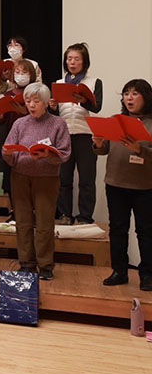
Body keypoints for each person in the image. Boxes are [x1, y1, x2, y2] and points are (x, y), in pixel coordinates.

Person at [1, 82, 71, 280]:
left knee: (44, 223)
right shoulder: (19, 123)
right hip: (20, 176)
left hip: (46, 178)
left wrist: (48, 155)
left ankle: (45, 265)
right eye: (28, 101)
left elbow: (65, 153)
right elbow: (8, 148)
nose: (31, 105)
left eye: (36, 101)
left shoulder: (58, 123)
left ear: (47, 102)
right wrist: (8, 154)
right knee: (22, 222)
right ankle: (26, 263)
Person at [93, 79, 152, 290]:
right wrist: (98, 143)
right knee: (118, 229)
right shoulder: (115, 120)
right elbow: (103, 150)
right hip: (115, 183)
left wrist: (139, 150)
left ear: (146, 97)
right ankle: (119, 271)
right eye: (126, 93)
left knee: (145, 231)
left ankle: (147, 275)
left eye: (135, 94)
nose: (129, 98)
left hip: (145, 187)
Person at [52, 42, 103, 226]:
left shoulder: (94, 82)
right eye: (69, 59)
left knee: (86, 179)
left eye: (76, 59)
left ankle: (85, 217)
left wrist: (84, 101)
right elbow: (57, 113)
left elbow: (97, 107)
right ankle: (65, 214)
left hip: (85, 133)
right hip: (64, 134)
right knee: (64, 178)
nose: (72, 62)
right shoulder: (59, 83)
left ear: (84, 62)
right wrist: (52, 107)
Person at [0, 59, 36, 218]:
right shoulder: (8, 95)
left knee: (30, 178)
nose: (20, 75)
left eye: (24, 72)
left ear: (31, 75)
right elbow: (3, 122)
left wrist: (26, 112)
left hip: (31, 140)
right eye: (17, 72)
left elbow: (44, 118)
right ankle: (14, 211)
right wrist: (0, 118)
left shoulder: (36, 95)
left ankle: (32, 211)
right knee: (11, 177)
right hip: (13, 140)